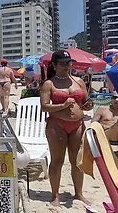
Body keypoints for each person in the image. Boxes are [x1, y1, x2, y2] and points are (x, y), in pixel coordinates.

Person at [39, 50, 93, 206]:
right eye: (62, 63)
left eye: (68, 63)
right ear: (54, 65)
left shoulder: (79, 81)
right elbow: (44, 106)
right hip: (57, 124)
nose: (66, 66)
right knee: (57, 160)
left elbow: (84, 102)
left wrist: (88, 105)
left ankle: (79, 193)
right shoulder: (49, 83)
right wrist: (62, 105)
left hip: (77, 123)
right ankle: (55, 195)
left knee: (77, 161)